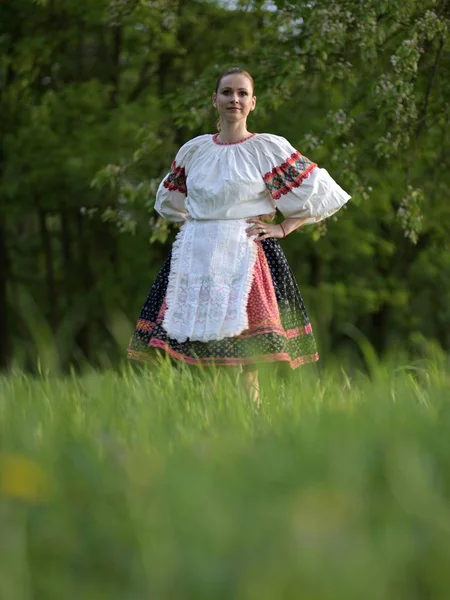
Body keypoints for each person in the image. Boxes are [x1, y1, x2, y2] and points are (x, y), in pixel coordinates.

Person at [127, 67, 351, 404]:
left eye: (242, 93)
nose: (234, 99)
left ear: (253, 102)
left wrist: (283, 227)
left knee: (248, 360)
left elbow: (320, 192)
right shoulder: (195, 150)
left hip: (245, 254)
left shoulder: (266, 149)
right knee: (204, 355)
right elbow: (169, 202)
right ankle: (210, 427)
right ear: (214, 100)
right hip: (199, 256)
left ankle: (252, 425)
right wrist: (200, 228)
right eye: (227, 92)